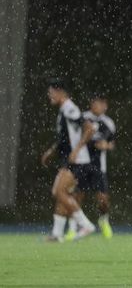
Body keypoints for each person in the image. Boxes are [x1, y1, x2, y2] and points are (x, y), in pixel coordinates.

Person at [39, 79, 97, 242]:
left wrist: (77, 149)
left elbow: (89, 128)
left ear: (60, 92)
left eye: (51, 92)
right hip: (71, 159)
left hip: (77, 160)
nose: (49, 96)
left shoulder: (69, 108)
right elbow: (65, 137)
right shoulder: (64, 109)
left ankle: (85, 224)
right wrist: (52, 151)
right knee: (62, 193)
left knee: (59, 191)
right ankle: (57, 234)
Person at [65, 93, 116, 240]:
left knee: (103, 199)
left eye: (102, 103)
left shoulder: (109, 123)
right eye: (96, 102)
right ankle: (73, 228)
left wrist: (106, 145)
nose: (99, 106)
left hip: (99, 166)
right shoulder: (83, 117)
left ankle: (103, 220)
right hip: (81, 163)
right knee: (77, 196)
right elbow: (72, 136)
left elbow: (112, 143)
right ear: (91, 103)